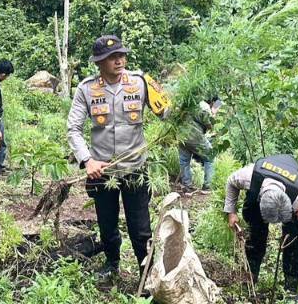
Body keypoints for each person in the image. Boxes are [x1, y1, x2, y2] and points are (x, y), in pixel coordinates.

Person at [67, 35, 170, 282]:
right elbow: (73, 129)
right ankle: (112, 263)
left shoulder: (141, 82)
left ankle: (146, 274)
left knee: (141, 227)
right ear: (99, 62)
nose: (119, 61)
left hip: (135, 168)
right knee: (107, 223)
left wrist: (179, 111)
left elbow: (167, 111)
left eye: (121, 55)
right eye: (112, 57)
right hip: (102, 170)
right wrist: (87, 160)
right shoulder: (86, 89)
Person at [224, 154, 298, 299]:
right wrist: (231, 212)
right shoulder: (248, 177)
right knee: (256, 233)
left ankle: (290, 288)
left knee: (293, 239)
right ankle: (250, 278)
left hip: (289, 185)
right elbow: (231, 182)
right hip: (260, 191)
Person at [178, 97, 221, 193]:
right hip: (194, 135)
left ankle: (187, 186)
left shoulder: (189, 100)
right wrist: (214, 114)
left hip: (181, 134)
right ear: (213, 102)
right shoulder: (204, 106)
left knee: (184, 161)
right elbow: (209, 125)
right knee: (210, 157)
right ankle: (208, 186)